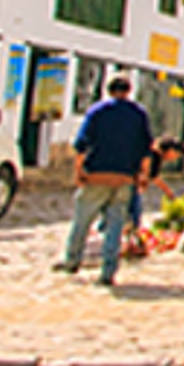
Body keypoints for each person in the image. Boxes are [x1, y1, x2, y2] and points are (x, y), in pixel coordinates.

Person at [53, 76, 152, 286]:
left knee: (82, 220)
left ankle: (72, 259)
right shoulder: (138, 115)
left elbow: (81, 145)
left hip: (97, 175)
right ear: (129, 91)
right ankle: (108, 271)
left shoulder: (97, 111)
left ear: (108, 90)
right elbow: (145, 151)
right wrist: (143, 176)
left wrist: (78, 172)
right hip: (124, 178)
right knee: (115, 226)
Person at [125, 136, 184, 257]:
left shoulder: (155, 156)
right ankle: (131, 245)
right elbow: (147, 174)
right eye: (176, 155)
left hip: (131, 184)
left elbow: (154, 177)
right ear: (170, 150)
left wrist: (168, 191)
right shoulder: (152, 155)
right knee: (133, 215)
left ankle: (130, 243)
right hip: (130, 184)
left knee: (130, 214)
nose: (174, 159)